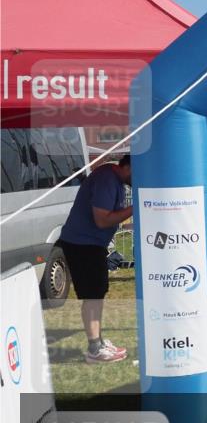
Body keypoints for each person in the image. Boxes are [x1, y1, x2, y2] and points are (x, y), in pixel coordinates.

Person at [56, 155, 133, 364]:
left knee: (97, 293)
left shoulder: (112, 179)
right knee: (93, 295)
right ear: (126, 167)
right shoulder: (107, 179)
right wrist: (136, 208)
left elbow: (110, 218)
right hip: (83, 245)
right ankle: (94, 349)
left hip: (89, 244)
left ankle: (97, 342)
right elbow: (102, 220)